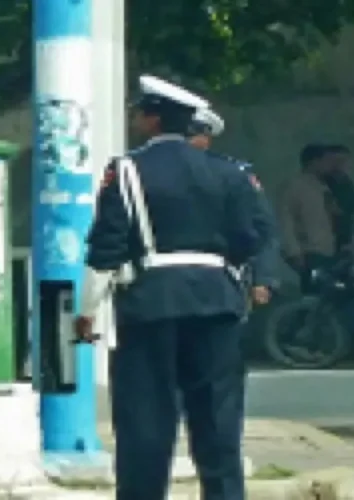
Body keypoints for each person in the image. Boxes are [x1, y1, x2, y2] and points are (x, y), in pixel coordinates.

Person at [76, 75, 261, 500]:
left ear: (151, 119)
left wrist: (88, 309)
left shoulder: (127, 170)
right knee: (218, 419)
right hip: (218, 299)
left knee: (146, 421)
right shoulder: (229, 172)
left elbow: (106, 248)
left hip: (151, 301)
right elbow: (248, 238)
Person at [188, 107, 280, 307]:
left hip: (222, 274)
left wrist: (262, 277)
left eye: (192, 134)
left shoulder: (231, 174)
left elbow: (262, 227)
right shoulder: (153, 168)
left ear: (206, 138)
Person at [278, 144, 338, 293]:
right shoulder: (295, 187)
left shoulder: (324, 188)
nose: (331, 166)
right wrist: (293, 252)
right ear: (314, 162)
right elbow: (286, 222)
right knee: (313, 300)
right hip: (310, 253)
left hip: (328, 252)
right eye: (327, 162)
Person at [323, 145, 354, 253]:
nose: (339, 165)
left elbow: (350, 212)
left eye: (343, 161)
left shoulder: (347, 183)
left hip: (344, 237)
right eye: (335, 161)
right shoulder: (321, 183)